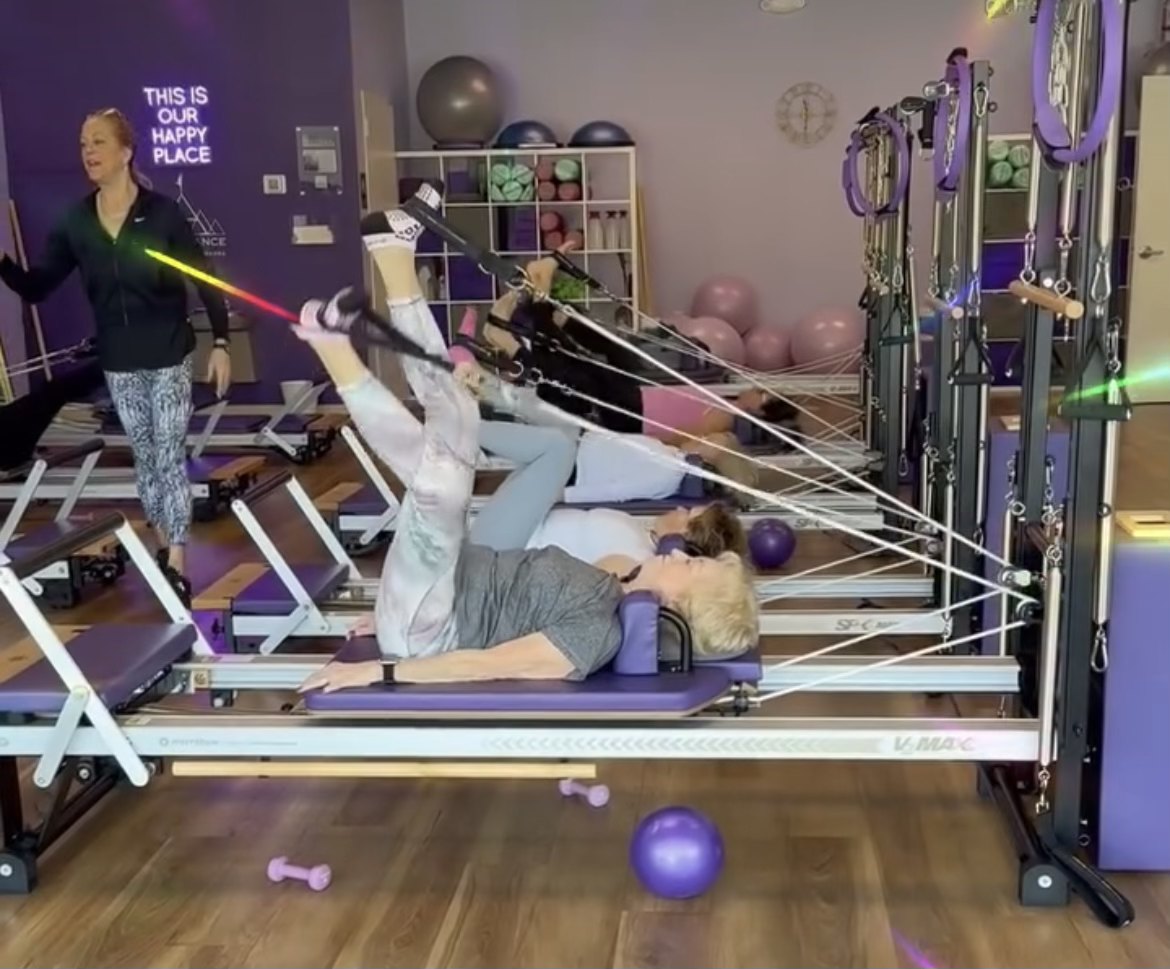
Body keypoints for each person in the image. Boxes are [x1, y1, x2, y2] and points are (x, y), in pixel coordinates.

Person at [296, 185, 758, 693]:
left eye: (691, 568)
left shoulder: (595, 631)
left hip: (432, 628)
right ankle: (383, 271)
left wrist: (378, 667)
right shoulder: (613, 580)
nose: (681, 552)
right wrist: (395, 609)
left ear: (676, 606)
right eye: (694, 555)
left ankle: (345, 331)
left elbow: (481, 665)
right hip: (438, 591)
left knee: (445, 478)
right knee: (457, 431)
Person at [0, 108, 231, 598]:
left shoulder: (163, 212)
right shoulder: (77, 222)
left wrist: (223, 343)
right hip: (121, 358)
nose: (88, 152)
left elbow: (205, 278)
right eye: (84, 143)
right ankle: (162, 538)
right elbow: (37, 287)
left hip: (169, 350)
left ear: (125, 151)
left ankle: (177, 558)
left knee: (168, 455)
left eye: (98, 142)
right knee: (146, 460)